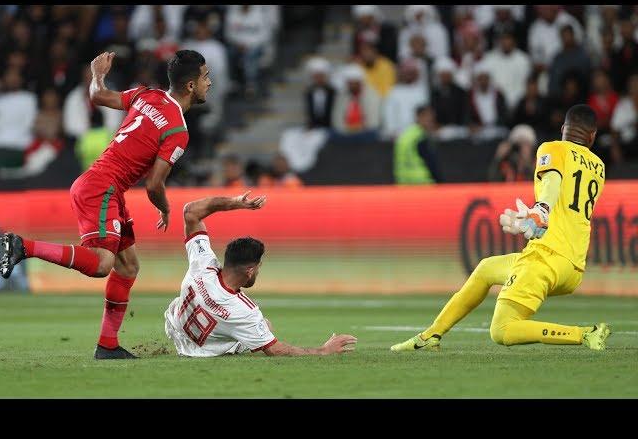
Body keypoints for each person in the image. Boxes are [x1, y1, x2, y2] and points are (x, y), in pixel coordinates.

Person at [0, 49, 211, 359]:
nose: (210, 83)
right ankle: (22, 246)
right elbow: (154, 184)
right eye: (206, 77)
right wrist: (164, 207)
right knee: (102, 264)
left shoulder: (147, 95)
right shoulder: (178, 131)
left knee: (128, 266)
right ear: (191, 85)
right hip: (102, 188)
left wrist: (97, 73)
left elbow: (98, 95)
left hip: (104, 186)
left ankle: (107, 346)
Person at [391, 105, 611, 352]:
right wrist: (540, 214)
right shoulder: (598, 166)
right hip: (572, 267)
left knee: (502, 330)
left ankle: (584, 334)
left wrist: (541, 209)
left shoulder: (552, 148)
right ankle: (430, 336)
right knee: (487, 268)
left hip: (546, 258)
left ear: (563, 129)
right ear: (592, 136)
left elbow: (553, 181)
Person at [164, 191, 357, 357]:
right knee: (265, 326)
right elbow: (276, 350)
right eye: (258, 267)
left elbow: (190, 212)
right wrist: (323, 350)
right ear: (250, 271)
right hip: (199, 351)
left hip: (176, 328)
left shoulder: (203, 263)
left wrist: (235, 203)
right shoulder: (244, 312)